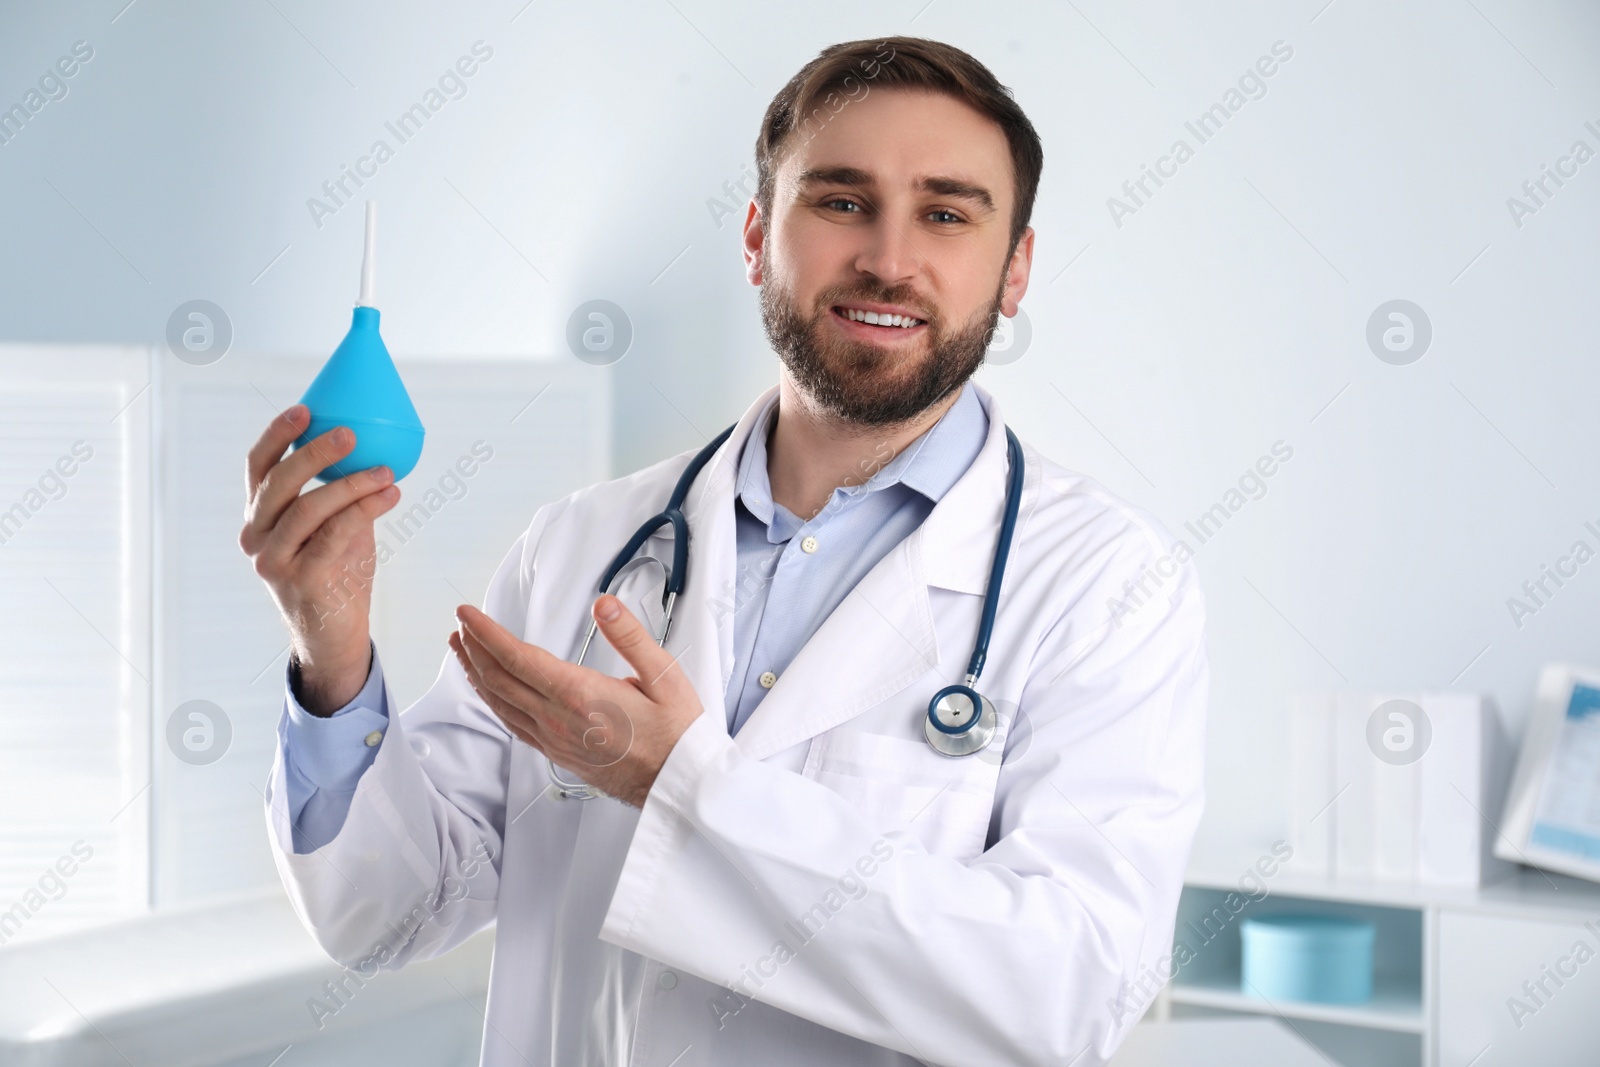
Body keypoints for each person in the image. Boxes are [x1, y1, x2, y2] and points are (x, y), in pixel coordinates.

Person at [240, 35, 1207, 1067]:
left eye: (945, 212)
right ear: (755, 237)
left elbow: (1062, 995)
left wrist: (678, 784)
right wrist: (332, 656)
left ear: (1013, 268)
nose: (887, 257)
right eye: (839, 201)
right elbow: (387, 913)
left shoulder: (1109, 586)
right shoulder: (580, 544)